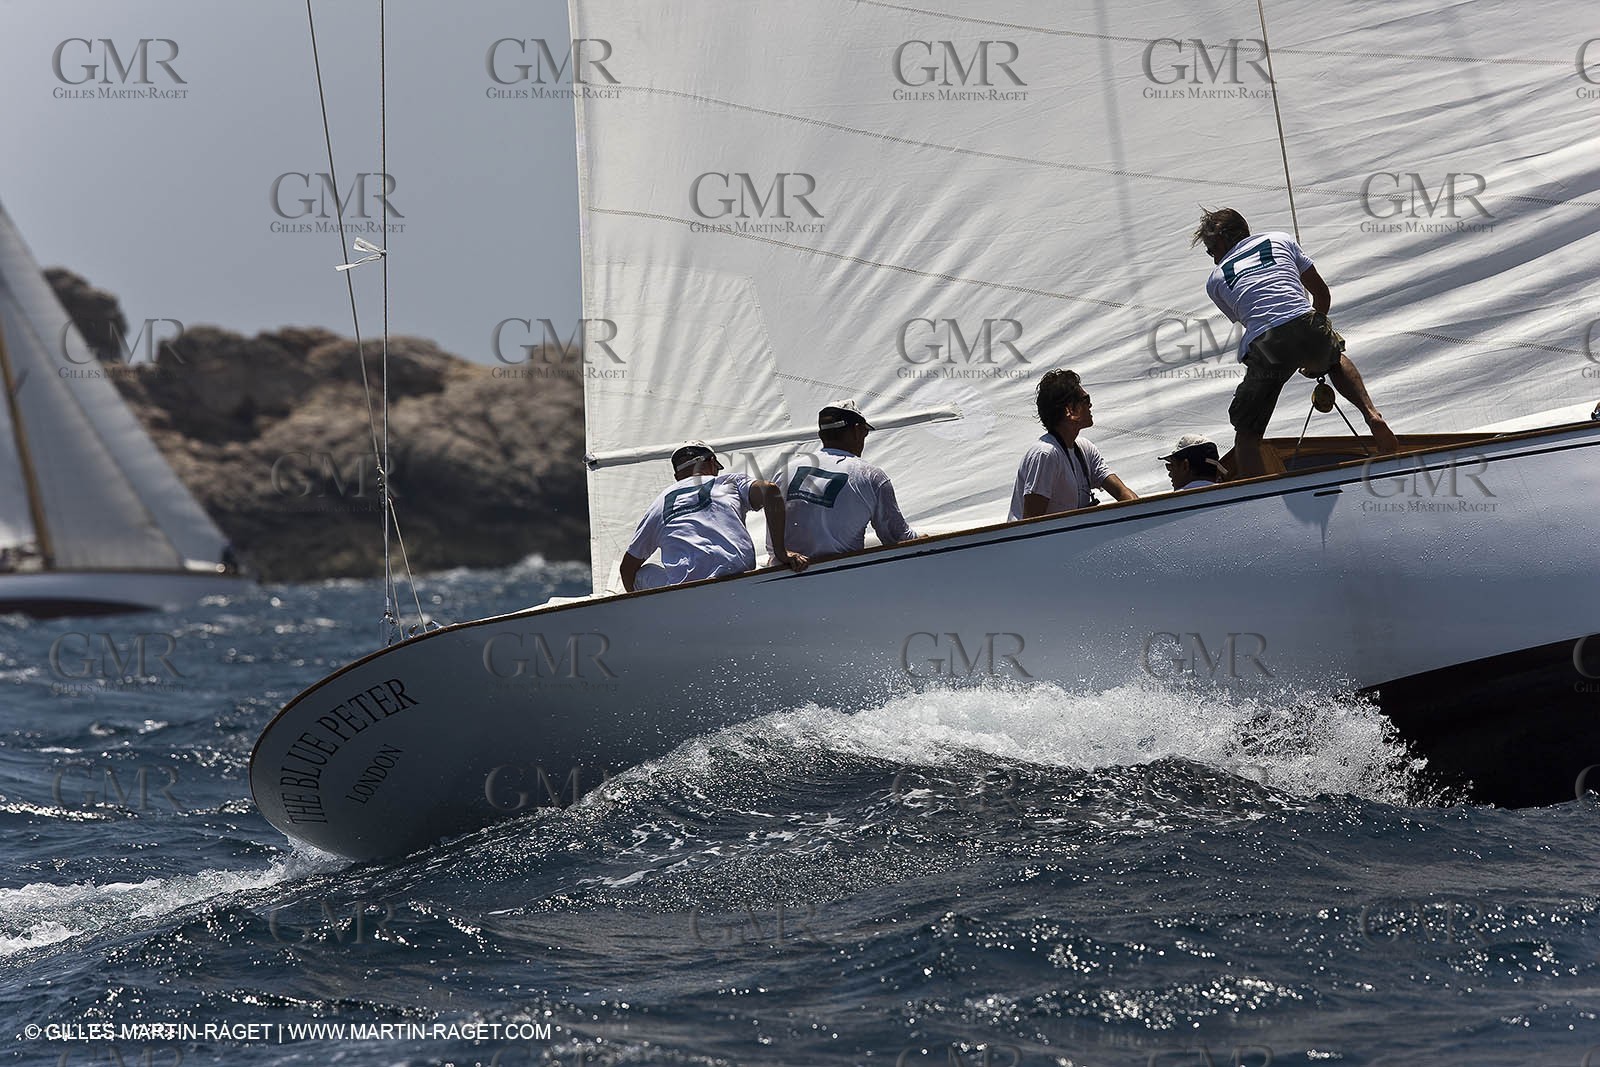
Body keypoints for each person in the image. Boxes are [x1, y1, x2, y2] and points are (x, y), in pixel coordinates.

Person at [1194, 207, 1399, 478]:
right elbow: (1321, 294)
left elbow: (1252, 317)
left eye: (1211, 250)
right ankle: (1372, 414)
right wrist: (1316, 338)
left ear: (1220, 240)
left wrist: (1291, 349)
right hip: (1304, 319)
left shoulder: (1216, 280)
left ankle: (1259, 492)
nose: (1213, 258)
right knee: (1335, 357)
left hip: (1265, 341)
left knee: (1247, 434)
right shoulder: (1280, 239)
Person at [620, 442, 807, 592]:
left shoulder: (658, 505)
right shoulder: (727, 482)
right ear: (710, 463)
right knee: (766, 560)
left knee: (642, 574)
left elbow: (627, 569)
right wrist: (780, 553)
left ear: (677, 475)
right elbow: (770, 491)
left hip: (684, 594)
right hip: (738, 579)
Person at [772, 400, 918, 561]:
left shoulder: (784, 472)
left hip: (784, 576)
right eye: (865, 432)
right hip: (843, 576)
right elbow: (897, 539)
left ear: (821, 435)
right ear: (857, 431)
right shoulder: (871, 476)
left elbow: (773, 541)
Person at [1008, 369, 1138, 520]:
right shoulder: (1045, 454)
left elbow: (1122, 493)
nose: (1091, 405)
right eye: (1086, 400)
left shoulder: (1085, 449)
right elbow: (1030, 523)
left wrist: (1141, 515)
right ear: (1070, 410)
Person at [1159, 433, 1227, 490]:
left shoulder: (1165, 504)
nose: (1170, 474)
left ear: (1185, 466)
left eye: (1171, 466)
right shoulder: (1231, 494)